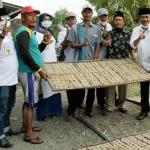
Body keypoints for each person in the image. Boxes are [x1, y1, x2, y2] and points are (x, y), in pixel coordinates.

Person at [14, 6, 50, 144]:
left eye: (35, 15)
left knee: (29, 101)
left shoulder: (29, 31)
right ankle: (28, 134)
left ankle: (26, 126)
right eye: (30, 15)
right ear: (23, 17)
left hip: (32, 71)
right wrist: (39, 70)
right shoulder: (23, 32)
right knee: (30, 103)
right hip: (28, 72)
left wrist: (45, 42)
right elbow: (25, 55)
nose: (34, 17)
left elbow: (35, 51)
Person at [66, 4, 103, 121]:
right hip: (79, 62)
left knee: (91, 89)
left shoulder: (97, 28)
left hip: (91, 63)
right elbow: (71, 44)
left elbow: (98, 44)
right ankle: (71, 112)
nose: (87, 14)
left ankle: (89, 110)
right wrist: (81, 45)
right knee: (77, 88)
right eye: (85, 12)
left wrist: (95, 59)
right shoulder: (75, 28)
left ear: (92, 14)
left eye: (89, 12)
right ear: (82, 14)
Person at [102, 11, 135, 116]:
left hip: (124, 64)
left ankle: (121, 105)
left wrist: (133, 56)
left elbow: (131, 47)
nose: (118, 22)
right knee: (110, 86)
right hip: (111, 63)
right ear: (113, 22)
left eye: (120, 20)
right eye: (116, 20)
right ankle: (109, 106)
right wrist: (105, 41)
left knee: (123, 86)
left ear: (123, 22)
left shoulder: (128, 34)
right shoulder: (109, 34)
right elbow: (103, 43)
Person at [34, 13, 62, 121]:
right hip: (43, 63)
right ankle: (43, 113)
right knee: (44, 88)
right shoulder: (36, 33)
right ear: (40, 21)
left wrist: (56, 47)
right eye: (44, 19)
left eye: (49, 19)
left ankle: (54, 110)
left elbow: (53, 47)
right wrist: (45, 42)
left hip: (53, 62)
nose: (47, 21)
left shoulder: (51, 32)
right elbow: (37, 48)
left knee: (53, 87)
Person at [58, 12, 85, 111]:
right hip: (68, 61)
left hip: (80, 60)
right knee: (70, 84)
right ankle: (71, 103)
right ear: (66, 21)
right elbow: (61, 48)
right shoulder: (62, 33)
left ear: (76, 20)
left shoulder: (81, 30)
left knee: (82, 82)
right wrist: (67, 36)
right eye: (69, 19)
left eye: (73, 19)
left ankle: (80, 102)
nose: (71, 21)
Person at [0, 8, 18, 148]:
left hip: (12, 79)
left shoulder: (10, 36)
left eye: (8, 19)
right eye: (2, 19)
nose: (6, 22)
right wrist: (1, 35)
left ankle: (6, 128)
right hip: (2, 81)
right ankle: (0, 136)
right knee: (1, 108)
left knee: (10, 105)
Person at [130, 8, 150, 120]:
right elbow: (132, 45)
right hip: (142, 66)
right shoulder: (136, 30)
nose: (145, 19)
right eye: (142, 17)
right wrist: (139, 38)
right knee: (144, 89)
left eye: (147, 17)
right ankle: (144, 110)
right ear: (139, 18)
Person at [96, 8, 112, 109]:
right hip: (99, 56)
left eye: (105, 16)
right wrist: (102, 38)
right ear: (98, 17)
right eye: (101, 16)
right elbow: (95, 41)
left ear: (107, 16)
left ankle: (110, 100)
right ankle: (101, 101)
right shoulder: (95, 27)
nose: (103, 18)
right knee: (100, 80)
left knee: (109, 79)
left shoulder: (110, 26)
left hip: (109, 56)